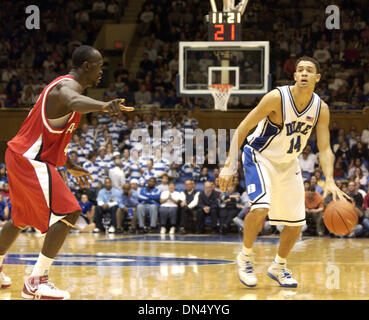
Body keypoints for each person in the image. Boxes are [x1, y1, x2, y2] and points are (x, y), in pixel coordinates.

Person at [0, 45, 134, 299]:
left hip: (22, 156)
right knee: (70, 210)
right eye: (99, 66)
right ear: (86, 66)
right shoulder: (66, 88)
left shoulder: (66, 90)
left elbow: (50, 133)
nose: (101, 72)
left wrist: (68, 162)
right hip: (30, 159)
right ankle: (36, 280)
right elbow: (73, 101)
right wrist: (105, 106)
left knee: (20, 218)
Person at [219, 56, 349, 288]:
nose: (304, 73)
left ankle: (278, 265)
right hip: (260, 156)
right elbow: (243, 126)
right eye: (300, 70)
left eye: (309, 70)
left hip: (289, 163)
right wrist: (229, 165)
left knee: (296, 222)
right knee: (260, 208)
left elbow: (325, 147)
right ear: (295, 75)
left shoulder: (321, 108)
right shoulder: (276, 98)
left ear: (317, 78)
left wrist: (330, 179)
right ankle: (245, 257)